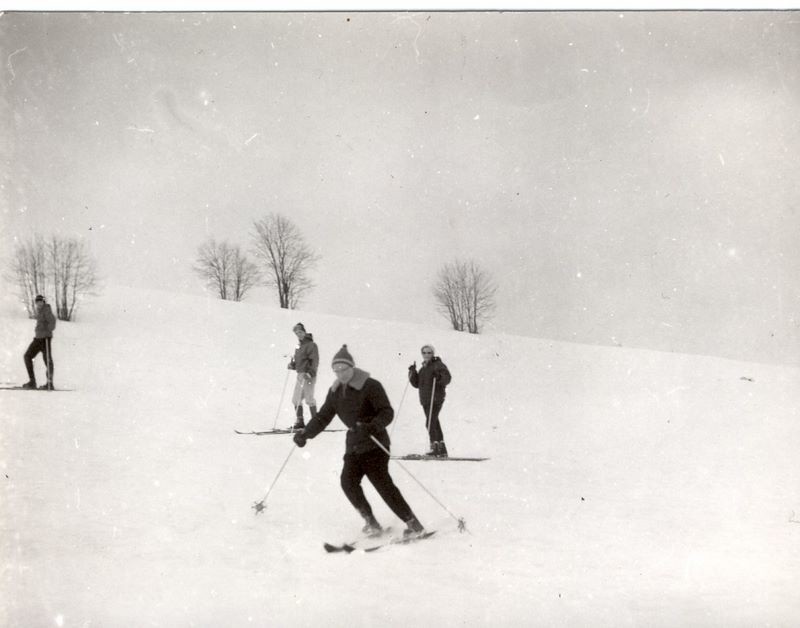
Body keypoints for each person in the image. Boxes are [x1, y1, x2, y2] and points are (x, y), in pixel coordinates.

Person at [293, 344, 425, 537]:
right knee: (348, 482)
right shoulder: (335, 392)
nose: (340, 374)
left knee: (382, 483)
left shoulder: (371, 386)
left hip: (375, 443)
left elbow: (386, 412)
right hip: (354, 445)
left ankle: (413, 524)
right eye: (336, 370)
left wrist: (371, 425)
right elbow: (323, 417)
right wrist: (306, 434)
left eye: (343, 369)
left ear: (352, 367)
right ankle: (371, 523)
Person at [408, 344, 452, 458]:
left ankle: (434, 446)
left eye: (429, 352)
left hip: (436, 398)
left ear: (433, 353)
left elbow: (447, 378)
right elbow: (416, 384)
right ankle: (441, 449)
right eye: (424, 353)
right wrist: (413, 373)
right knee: (434, 422)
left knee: (430, 422)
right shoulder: (423, 369)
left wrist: (439, 377)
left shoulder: (438, 365)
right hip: (426, 399)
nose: (426, 355)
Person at [287, 322, 319, 430]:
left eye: (300, 332)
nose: (299, 334)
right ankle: (300, 421)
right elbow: (297, 361)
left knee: (309, 398)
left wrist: (310, 373)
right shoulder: (299, 346)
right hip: (300, 375)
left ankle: (316, 422)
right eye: (296, 333)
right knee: (296, 399)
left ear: (305, 332)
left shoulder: (311, 345)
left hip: (309, 375)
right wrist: (293, 365)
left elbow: (314, 361)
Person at [23, 294, 57, 390]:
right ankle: (32, 382)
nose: (39, 304)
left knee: (48, 361)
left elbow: (53, 323)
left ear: (43, 302)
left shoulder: (46, 310)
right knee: (27, 356)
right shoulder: (40, 311)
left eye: (40, 302)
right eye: (37, 302)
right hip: (38, 339)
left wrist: (48, 329)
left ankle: (49, 383)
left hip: (45, 339)